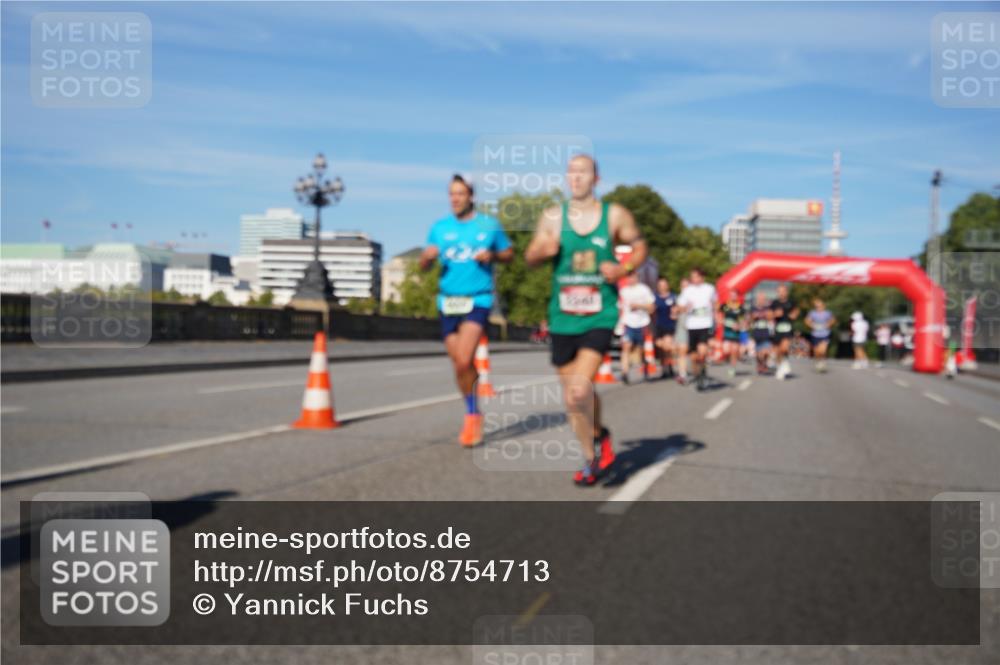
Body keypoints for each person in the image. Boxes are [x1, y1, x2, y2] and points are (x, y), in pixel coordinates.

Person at [524, 154, 646, 486]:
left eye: (584, 172)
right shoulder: (552, 217)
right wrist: (541, 252)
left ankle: (594, 456)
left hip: (599, 315)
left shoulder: (614, 215)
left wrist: (624, 269)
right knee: (573, 398)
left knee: (578, 392)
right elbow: (530, 256)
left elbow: (639, 247)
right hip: (562, 318)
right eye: (571, 172)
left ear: (597, 178)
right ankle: (595, 446)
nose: (576, 178)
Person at [420, 174, 513, 446]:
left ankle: (473, 415)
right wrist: (426, 258)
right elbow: (424, 266)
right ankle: (472, 403)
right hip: (447, 301)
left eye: (460, 194)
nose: (455, 199)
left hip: (478, 299)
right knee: (460, 365)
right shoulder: (439, 228)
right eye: (451, 194)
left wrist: (493, 255)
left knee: (463, 360)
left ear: (471, 196)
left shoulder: (488, 225)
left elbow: (509, 254)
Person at [678, 267, 717, 390]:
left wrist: (716, 314)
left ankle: (702, 374)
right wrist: (686, 308)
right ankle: (698, 373)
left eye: (695, 276)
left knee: (703, 352)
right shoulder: (687, 291)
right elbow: (680, 307)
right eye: (692, 276)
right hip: (692, 326)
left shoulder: (709, 289)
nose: (693, 279)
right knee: (694, 357)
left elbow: (716, 303)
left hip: (705, 324)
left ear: (701, 277)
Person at [618, 272, 656, 384]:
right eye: (628, 277)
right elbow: (619, 308)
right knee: (626, 347)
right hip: (628, 323)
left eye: (632, 277)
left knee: (640, 350)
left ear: (637, 278)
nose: (630, 279)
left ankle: (645, 369)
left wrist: (639, 306)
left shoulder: (644, 290)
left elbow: (651, 307)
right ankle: (624, 372)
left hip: (642, 323)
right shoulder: (623, 291)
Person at [770, 284, 799, 380]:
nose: (781, 293)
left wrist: (793, 315)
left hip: (788, 328)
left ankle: (785, 363)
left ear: (786, 292)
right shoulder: (774, 303)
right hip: (778, 329)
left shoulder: (791, 302)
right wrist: (775, 314)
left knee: (784, 348)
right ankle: (780, 367)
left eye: (783, 291)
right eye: (779, 291)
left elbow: (796, 312)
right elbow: (768, 316)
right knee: (778, 352)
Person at [653, 278, 678, 378]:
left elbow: (677, 309)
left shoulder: (673, 297)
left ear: (667, 286)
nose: (662, 287)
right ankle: (664, 369)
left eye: (664, 285)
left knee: (667, 347)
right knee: (661, 348)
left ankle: (670, 366)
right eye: (660, 285)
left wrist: (675, 313)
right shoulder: (655, 298)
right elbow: (652, 311)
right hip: (659, 326)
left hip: (669, 325)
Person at [719, 290, 747, 378]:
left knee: (734, 351)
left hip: (735, 333)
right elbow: (718, 316)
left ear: (737, 297)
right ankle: (729, 360)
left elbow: (743, 321)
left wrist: (739, 326)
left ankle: (732, 367)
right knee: (726, 350)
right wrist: (723, 322)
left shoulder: (740, 308)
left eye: (734, 295)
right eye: (731, 295)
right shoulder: (725, 306)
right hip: (727, 332)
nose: (733, 297)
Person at [805, 297, 836, 373]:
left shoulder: (827, 313)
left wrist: (828, 325)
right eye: (816, 306)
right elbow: (807, 321)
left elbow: (833, 320)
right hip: (815, 334)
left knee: (823, 350)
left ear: (823, 306)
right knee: (817, 352)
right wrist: (812, 326)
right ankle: (818, 361)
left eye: (820, 306)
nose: (818, 308)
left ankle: (822, 362)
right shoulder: (812, 313)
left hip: (825, 334)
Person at [749, 291, 773, 375]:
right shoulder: (753, 308)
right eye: (760, 299)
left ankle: (764, 363)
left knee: (766, 352)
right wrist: (753, 316)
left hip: (766, 333)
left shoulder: (768, 308)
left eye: (763, 299)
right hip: (756, 334)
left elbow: (771, 318)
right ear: (757, 300)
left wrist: (767, 315)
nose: (761, 300)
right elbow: (750, 319)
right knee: (759, 354)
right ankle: (760, 363)